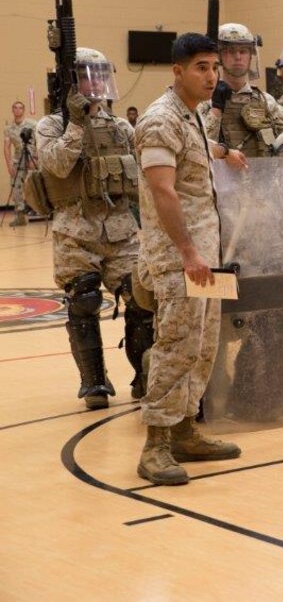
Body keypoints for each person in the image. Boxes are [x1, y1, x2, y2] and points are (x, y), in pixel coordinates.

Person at [134, 32, 249, 486]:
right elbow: (162, 189)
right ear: (177, 71)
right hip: (179, 256)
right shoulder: (159, 120)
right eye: (201, 67)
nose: (211, 75)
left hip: (203, 255)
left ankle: (184, 431)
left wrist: (226, 152)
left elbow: (195, 154)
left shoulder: (192, 115)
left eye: (214, 67)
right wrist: (186, 253)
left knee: (202, 346)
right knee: (176, 344)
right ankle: (156, 444)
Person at [34, 48, 153, 407]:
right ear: (71, 83)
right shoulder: (51, 125)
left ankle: (144, 375)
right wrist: (75, 123)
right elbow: (56, 164)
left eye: (101, 75)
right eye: (88, 75)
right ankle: (94, 383)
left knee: (141, 298)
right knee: (83, 299)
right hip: (76, 231)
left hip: (120, 228)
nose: (96, 82)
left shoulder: (120, 127)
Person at [199, 23, 283, 158]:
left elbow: (282, 147)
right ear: (219, 57)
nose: (238, 57)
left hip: (261, 176)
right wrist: (216, 110)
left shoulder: (266, 101)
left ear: (251, 56)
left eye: (243, 51)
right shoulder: (204, 101)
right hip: (222, 177)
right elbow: (199, 148)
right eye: (231, 51)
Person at [5, 100, 37, 226]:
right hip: (18, 161)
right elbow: (6, 147)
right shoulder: (9, 128)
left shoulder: (32, 124)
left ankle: (41, 211)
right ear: (12, 110)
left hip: (32, 158)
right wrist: (8, 166)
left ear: (23, 110)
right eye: (15, 108)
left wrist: (36, 158)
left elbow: (40, 141)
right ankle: (20, 216)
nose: (18, 110)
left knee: (34, 185)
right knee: (16, 187)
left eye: (20, 108)